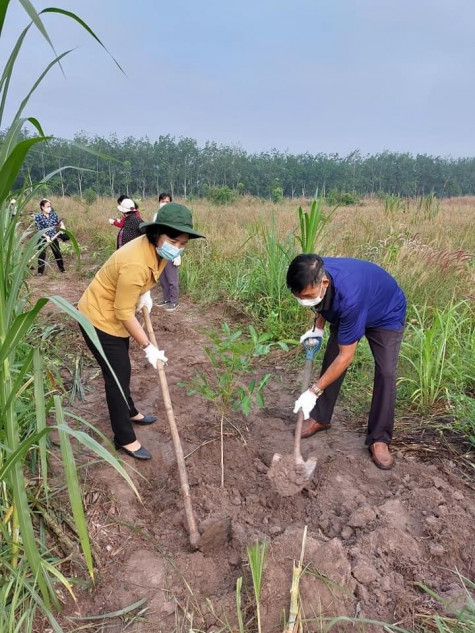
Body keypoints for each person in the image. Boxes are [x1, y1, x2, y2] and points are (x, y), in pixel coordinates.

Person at [78, 202, 205, 460]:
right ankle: (124, 438)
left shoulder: (155, 251)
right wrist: (149, 347)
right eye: (173, 240)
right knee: (116, 376)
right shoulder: (136, 262)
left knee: (123, 369)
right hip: (99, 320)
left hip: (115, 316)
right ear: (157, 233)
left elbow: (140, 286)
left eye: (183, 243)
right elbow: (124, 313)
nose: (177, 247)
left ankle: (130, 411)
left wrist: (144, 294)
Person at [287, 254, 406, 470]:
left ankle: (379, 438)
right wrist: (318, 328)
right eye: (299, 297)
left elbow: (346, 357)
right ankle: (321, 418)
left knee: (386, 372)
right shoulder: (313, 269)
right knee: (331, 359)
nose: (304, 301)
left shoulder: (350, 297)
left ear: (324, 283)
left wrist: (313, 391)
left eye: (307, 296)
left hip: (385, 312)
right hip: (353, 307)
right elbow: (321, 302)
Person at [155, 193, 181, 311]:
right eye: (163, 201)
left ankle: (174, 301)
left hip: (171, 251)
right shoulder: (157, 216)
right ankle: (166, 298)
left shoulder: (174, 218)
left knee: (172, 278)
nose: (165, 204)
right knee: (162, 277)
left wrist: (177, 254)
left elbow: (178, 236)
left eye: (167, 202)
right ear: (159, 202)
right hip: (160, 250)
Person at [34, 198, 66, 274]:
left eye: (50, 206)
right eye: (47, 206)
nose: (49, 208)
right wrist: (46, 237)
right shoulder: (38, 216)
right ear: (42, 207)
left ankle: (62, 269)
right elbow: (39, 229)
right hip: (43, 237)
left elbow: (60, 221)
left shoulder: (53, 214)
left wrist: (62, 226)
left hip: (53, 236)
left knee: (57, 252)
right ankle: (40, 272)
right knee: (41, 254)